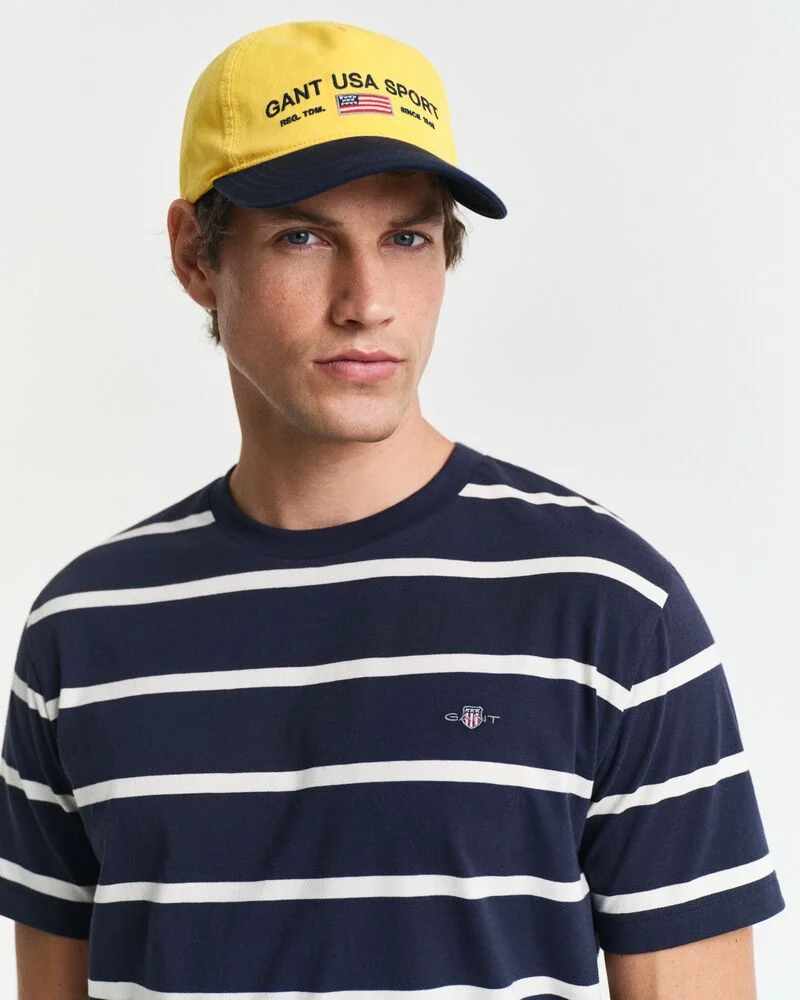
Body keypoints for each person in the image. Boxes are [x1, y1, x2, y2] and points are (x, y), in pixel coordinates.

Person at [0, 20, 784, 1000]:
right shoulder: (84, 630)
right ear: (196, 258)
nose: (366, 300)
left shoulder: (609, 607)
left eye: (406, 237)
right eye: (303, 236)